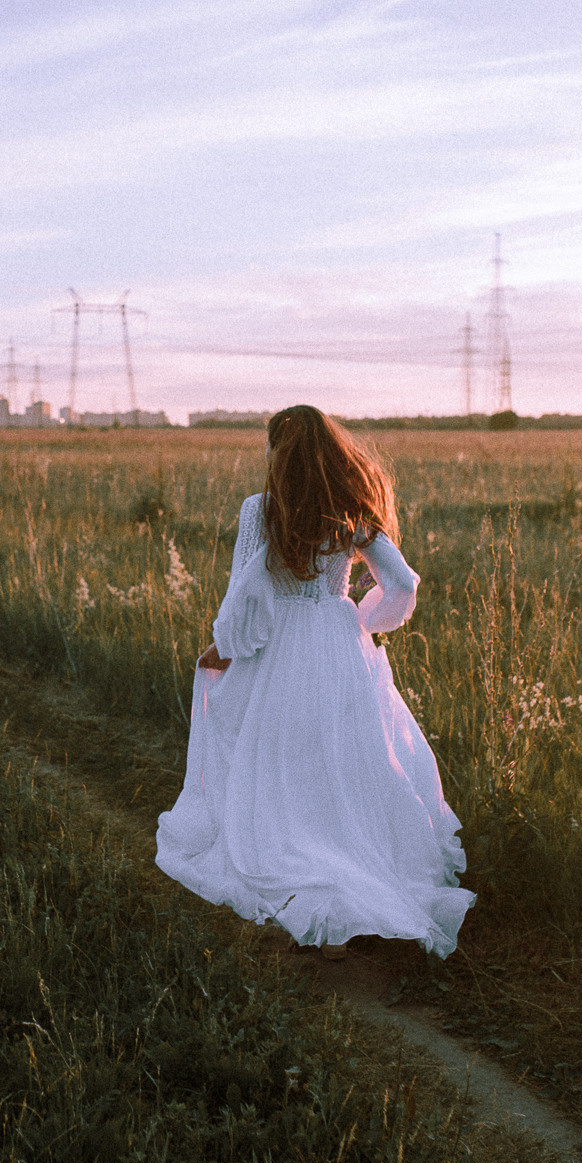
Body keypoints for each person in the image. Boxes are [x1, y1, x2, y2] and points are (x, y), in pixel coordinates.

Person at [156, 404, 474, 960]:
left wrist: (226, 647)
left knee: (284, 767)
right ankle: (362, 884)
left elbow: (243, 598)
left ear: (278, 452)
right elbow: (401, 582)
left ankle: (315, 893)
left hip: (279, 648)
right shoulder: (354, 513)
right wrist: (363, 623)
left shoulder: (263, 511)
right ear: (333, 451)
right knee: (348, 766)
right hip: (338, 643)